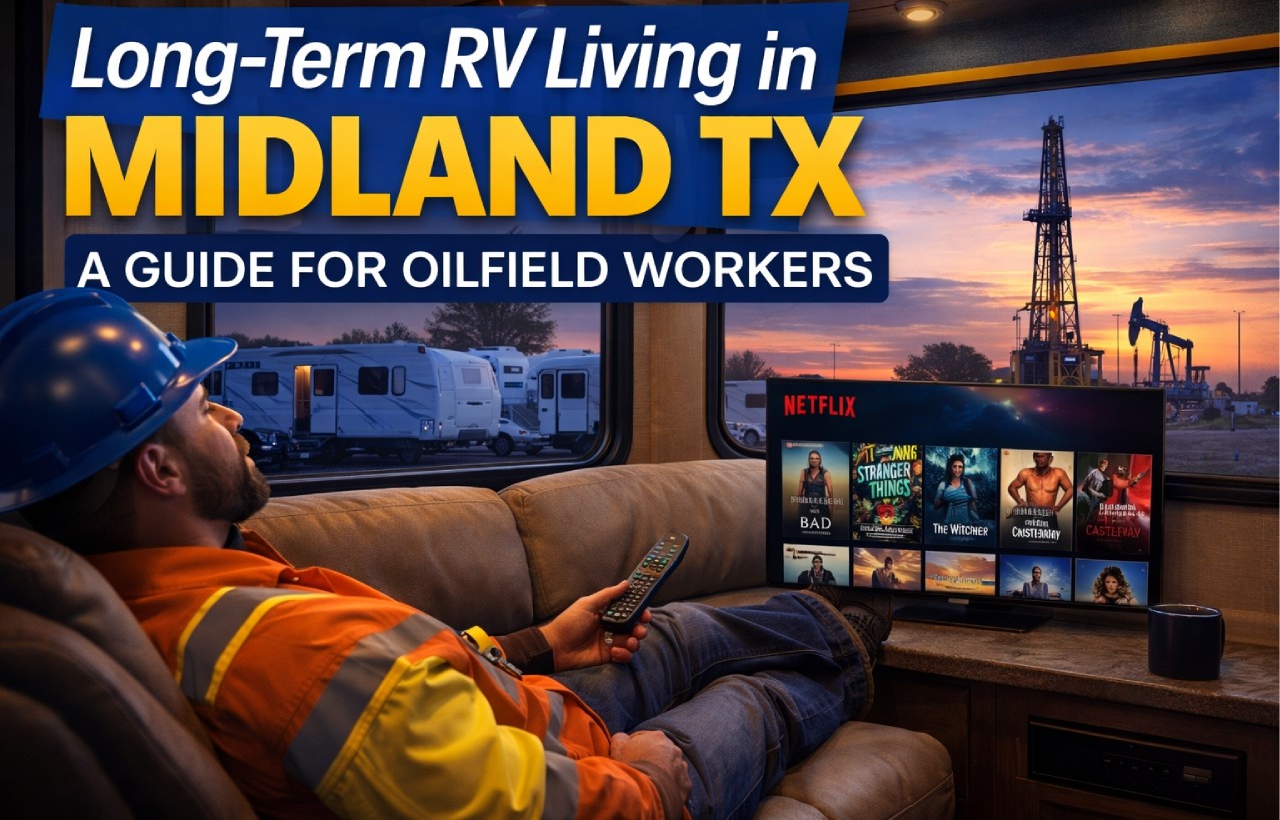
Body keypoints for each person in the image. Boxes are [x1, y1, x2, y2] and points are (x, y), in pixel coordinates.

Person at [0, 288, 889, 820]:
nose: (232, 416)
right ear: (157, 465)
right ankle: (852, 653)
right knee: (760, 692)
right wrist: (648, 780)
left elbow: (409, 694)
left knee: (681, 629)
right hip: (588, 770)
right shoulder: (291, 653)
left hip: (522, 706)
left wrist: (540, 641)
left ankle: (837, 621)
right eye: (200, 410)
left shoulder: (171, 593)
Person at [1006, 451, 1073, 514]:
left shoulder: (1058, 473)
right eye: (1036, 456)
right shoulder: (1026, 473)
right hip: (1031, 515)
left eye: (1042, 456)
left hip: (1049, 515)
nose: (1039, 459)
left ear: (1051, 459)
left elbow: (1070, 489)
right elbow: (1012, 487)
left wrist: (1059, 506)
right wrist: (1020, 501)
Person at [933, 453, 978, 524]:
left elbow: (972, 505)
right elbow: (936, 505)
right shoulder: (943, 485)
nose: (957, 470)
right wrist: (946, 498)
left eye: (960, 467)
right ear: (951, 468)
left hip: (965, 527)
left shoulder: (968, 483)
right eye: (955, 466)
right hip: (948, 527)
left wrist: (976, 521)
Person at [1075, 457, 1110, 522]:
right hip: (1086, 496)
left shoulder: (1106, 479)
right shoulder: (1093, 472)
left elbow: (1103, 495)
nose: (1105, 466)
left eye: (1106, 464)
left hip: (1093, 500)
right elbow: (1086, 482)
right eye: (1104, 464)